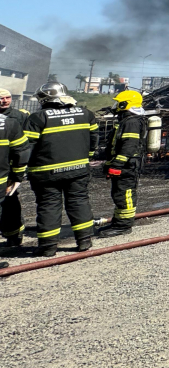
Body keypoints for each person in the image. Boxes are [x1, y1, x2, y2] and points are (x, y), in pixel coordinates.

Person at [19, 83, 99, 257]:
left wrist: (20, 169)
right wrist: (87, 157)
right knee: (79, 202)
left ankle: (48, 247)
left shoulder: (38, 118)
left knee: (49, 206)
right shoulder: (86, 114)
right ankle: (84, 240)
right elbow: (94, 141)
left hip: (46, 173)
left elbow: (27, 147)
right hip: (79, 169)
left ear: (46, 99)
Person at [98, 90, 147, 238]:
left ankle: (124, 226)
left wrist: (117, 165)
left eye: (118, 103)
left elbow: (129, 146)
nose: (116, 105)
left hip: (127, 166)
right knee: (119, 194)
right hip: (126, 164)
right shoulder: (129, 120)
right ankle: (118, 222)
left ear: (126, 104)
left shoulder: (131, 122)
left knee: (125, 195)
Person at [0, 88, 30, 249]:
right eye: (1, 98)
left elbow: (25, 144)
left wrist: (18, 172)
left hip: (11, 166)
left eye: (7, 98)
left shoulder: (19, 116)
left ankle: (14, 235)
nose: (4, 101)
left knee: (10, 201)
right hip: (3, 165)